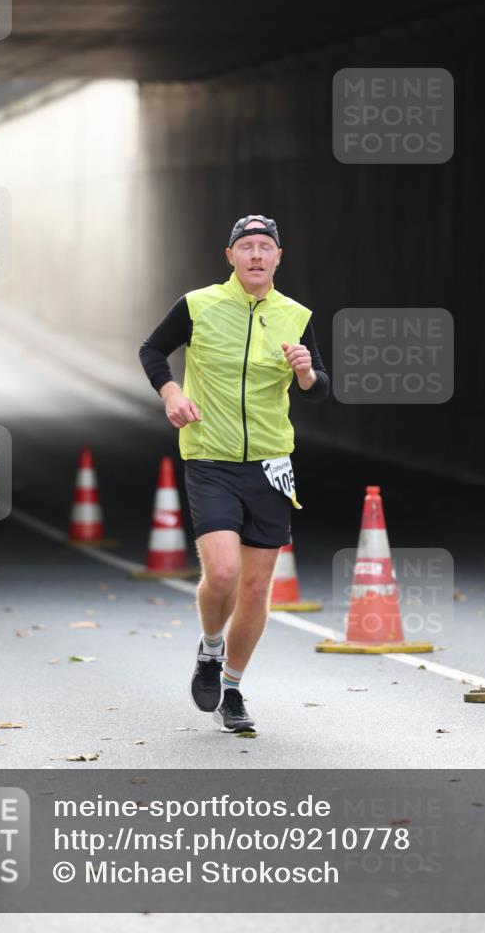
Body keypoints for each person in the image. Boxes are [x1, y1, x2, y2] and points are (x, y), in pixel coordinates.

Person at [139, 214, 329, 733]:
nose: (256, 255)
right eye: (246, 246)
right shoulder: (199, 305)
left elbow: (319, 387)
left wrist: (307, 372)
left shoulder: (295, 315)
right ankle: (210, 647)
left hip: (270, 462)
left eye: (265, 246)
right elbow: (152, 349)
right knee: (222, 574)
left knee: (255, 589)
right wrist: (172, 392)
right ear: (230, 257)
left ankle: (234, 688)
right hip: (211, 456)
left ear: (278, 257)